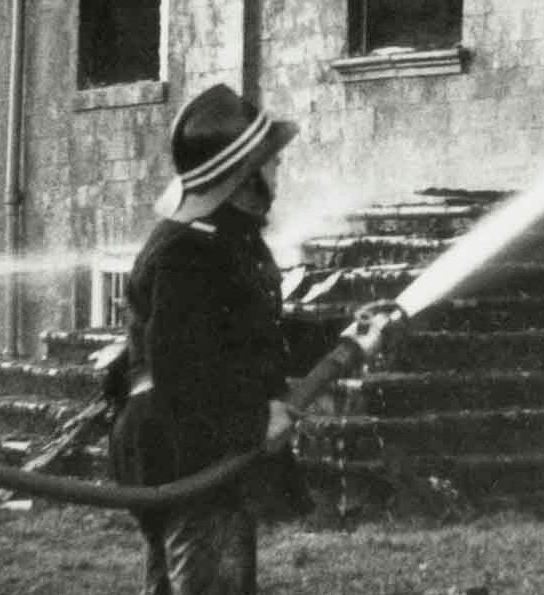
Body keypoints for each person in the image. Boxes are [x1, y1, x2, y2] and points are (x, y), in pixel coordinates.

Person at [110, 84, 378, 595]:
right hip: (186, 452)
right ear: (241, 179)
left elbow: (251, 334)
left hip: (196, 444)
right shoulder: (188, 254)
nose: (280, 173)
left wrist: (343, 331)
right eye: (271, 164)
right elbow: (182, 369)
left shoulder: (225, 241)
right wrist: (254, 421)